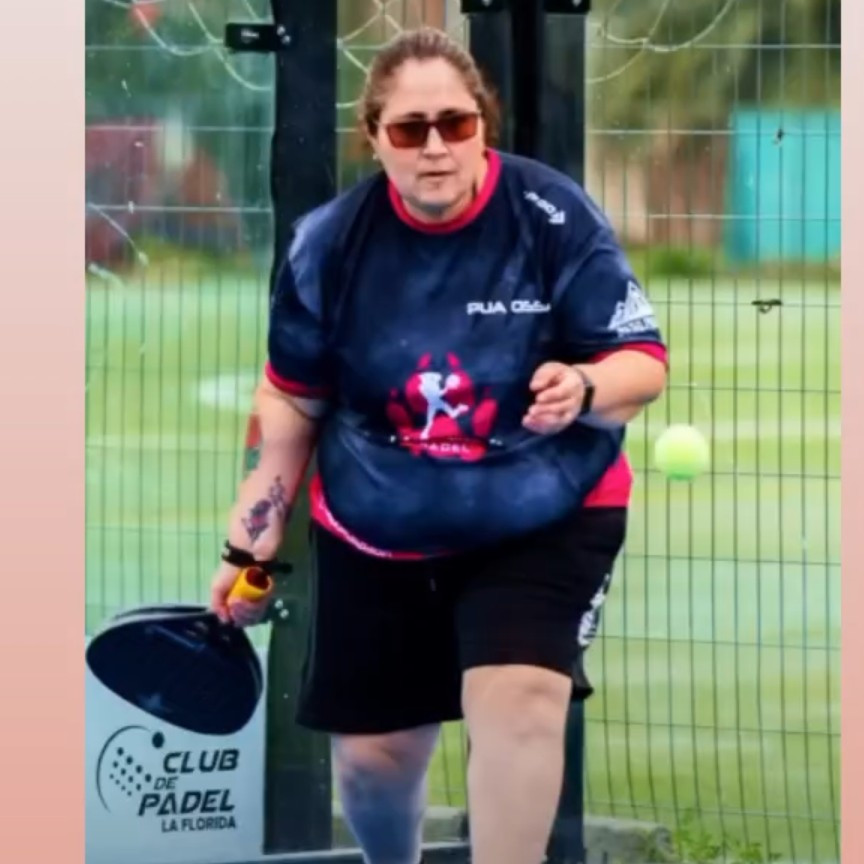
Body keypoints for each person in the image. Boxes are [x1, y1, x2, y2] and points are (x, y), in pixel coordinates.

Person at [209, 26, 668, 864]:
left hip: (541, 512)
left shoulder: (551, 214)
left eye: (456, 124)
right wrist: (251, 545)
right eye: (410, 128)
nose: (435, 147)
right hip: (377, 523)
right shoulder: (328, 245)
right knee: (373, 763)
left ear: (481, 125)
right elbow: (292, 400)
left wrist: (585, 386)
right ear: (375, 136)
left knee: (520, 701)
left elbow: (642, 363)